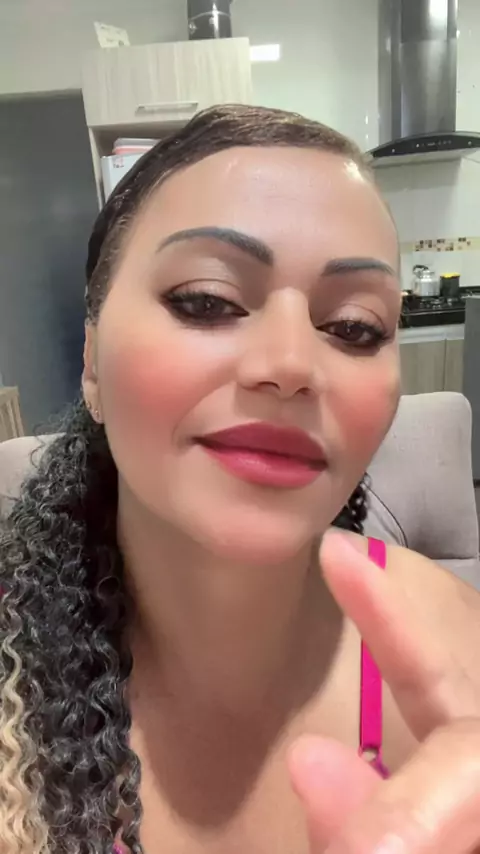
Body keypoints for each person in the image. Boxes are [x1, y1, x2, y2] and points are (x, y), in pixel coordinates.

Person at [0, 103, 479, 854]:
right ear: (92, 362)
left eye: (355, 327)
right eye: (207, 301)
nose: (290, 364)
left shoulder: (461, 650)